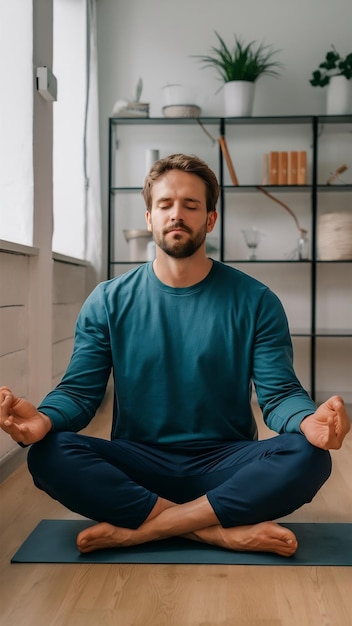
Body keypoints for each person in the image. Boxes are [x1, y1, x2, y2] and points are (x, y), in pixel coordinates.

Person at [1, 153, 350, 557]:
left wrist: (309, 421)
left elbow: (279, 394)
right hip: (137, 466)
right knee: (48, 453)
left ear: (210, 219)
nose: (177, 214)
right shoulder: (108, 301)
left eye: (191, 205)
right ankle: (215, 530)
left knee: (310, 456)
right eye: (165, 205)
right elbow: (79, 393)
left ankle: (142, 529)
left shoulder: (256, 301)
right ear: (149, 218)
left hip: (226, 464)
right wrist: (43, 419)